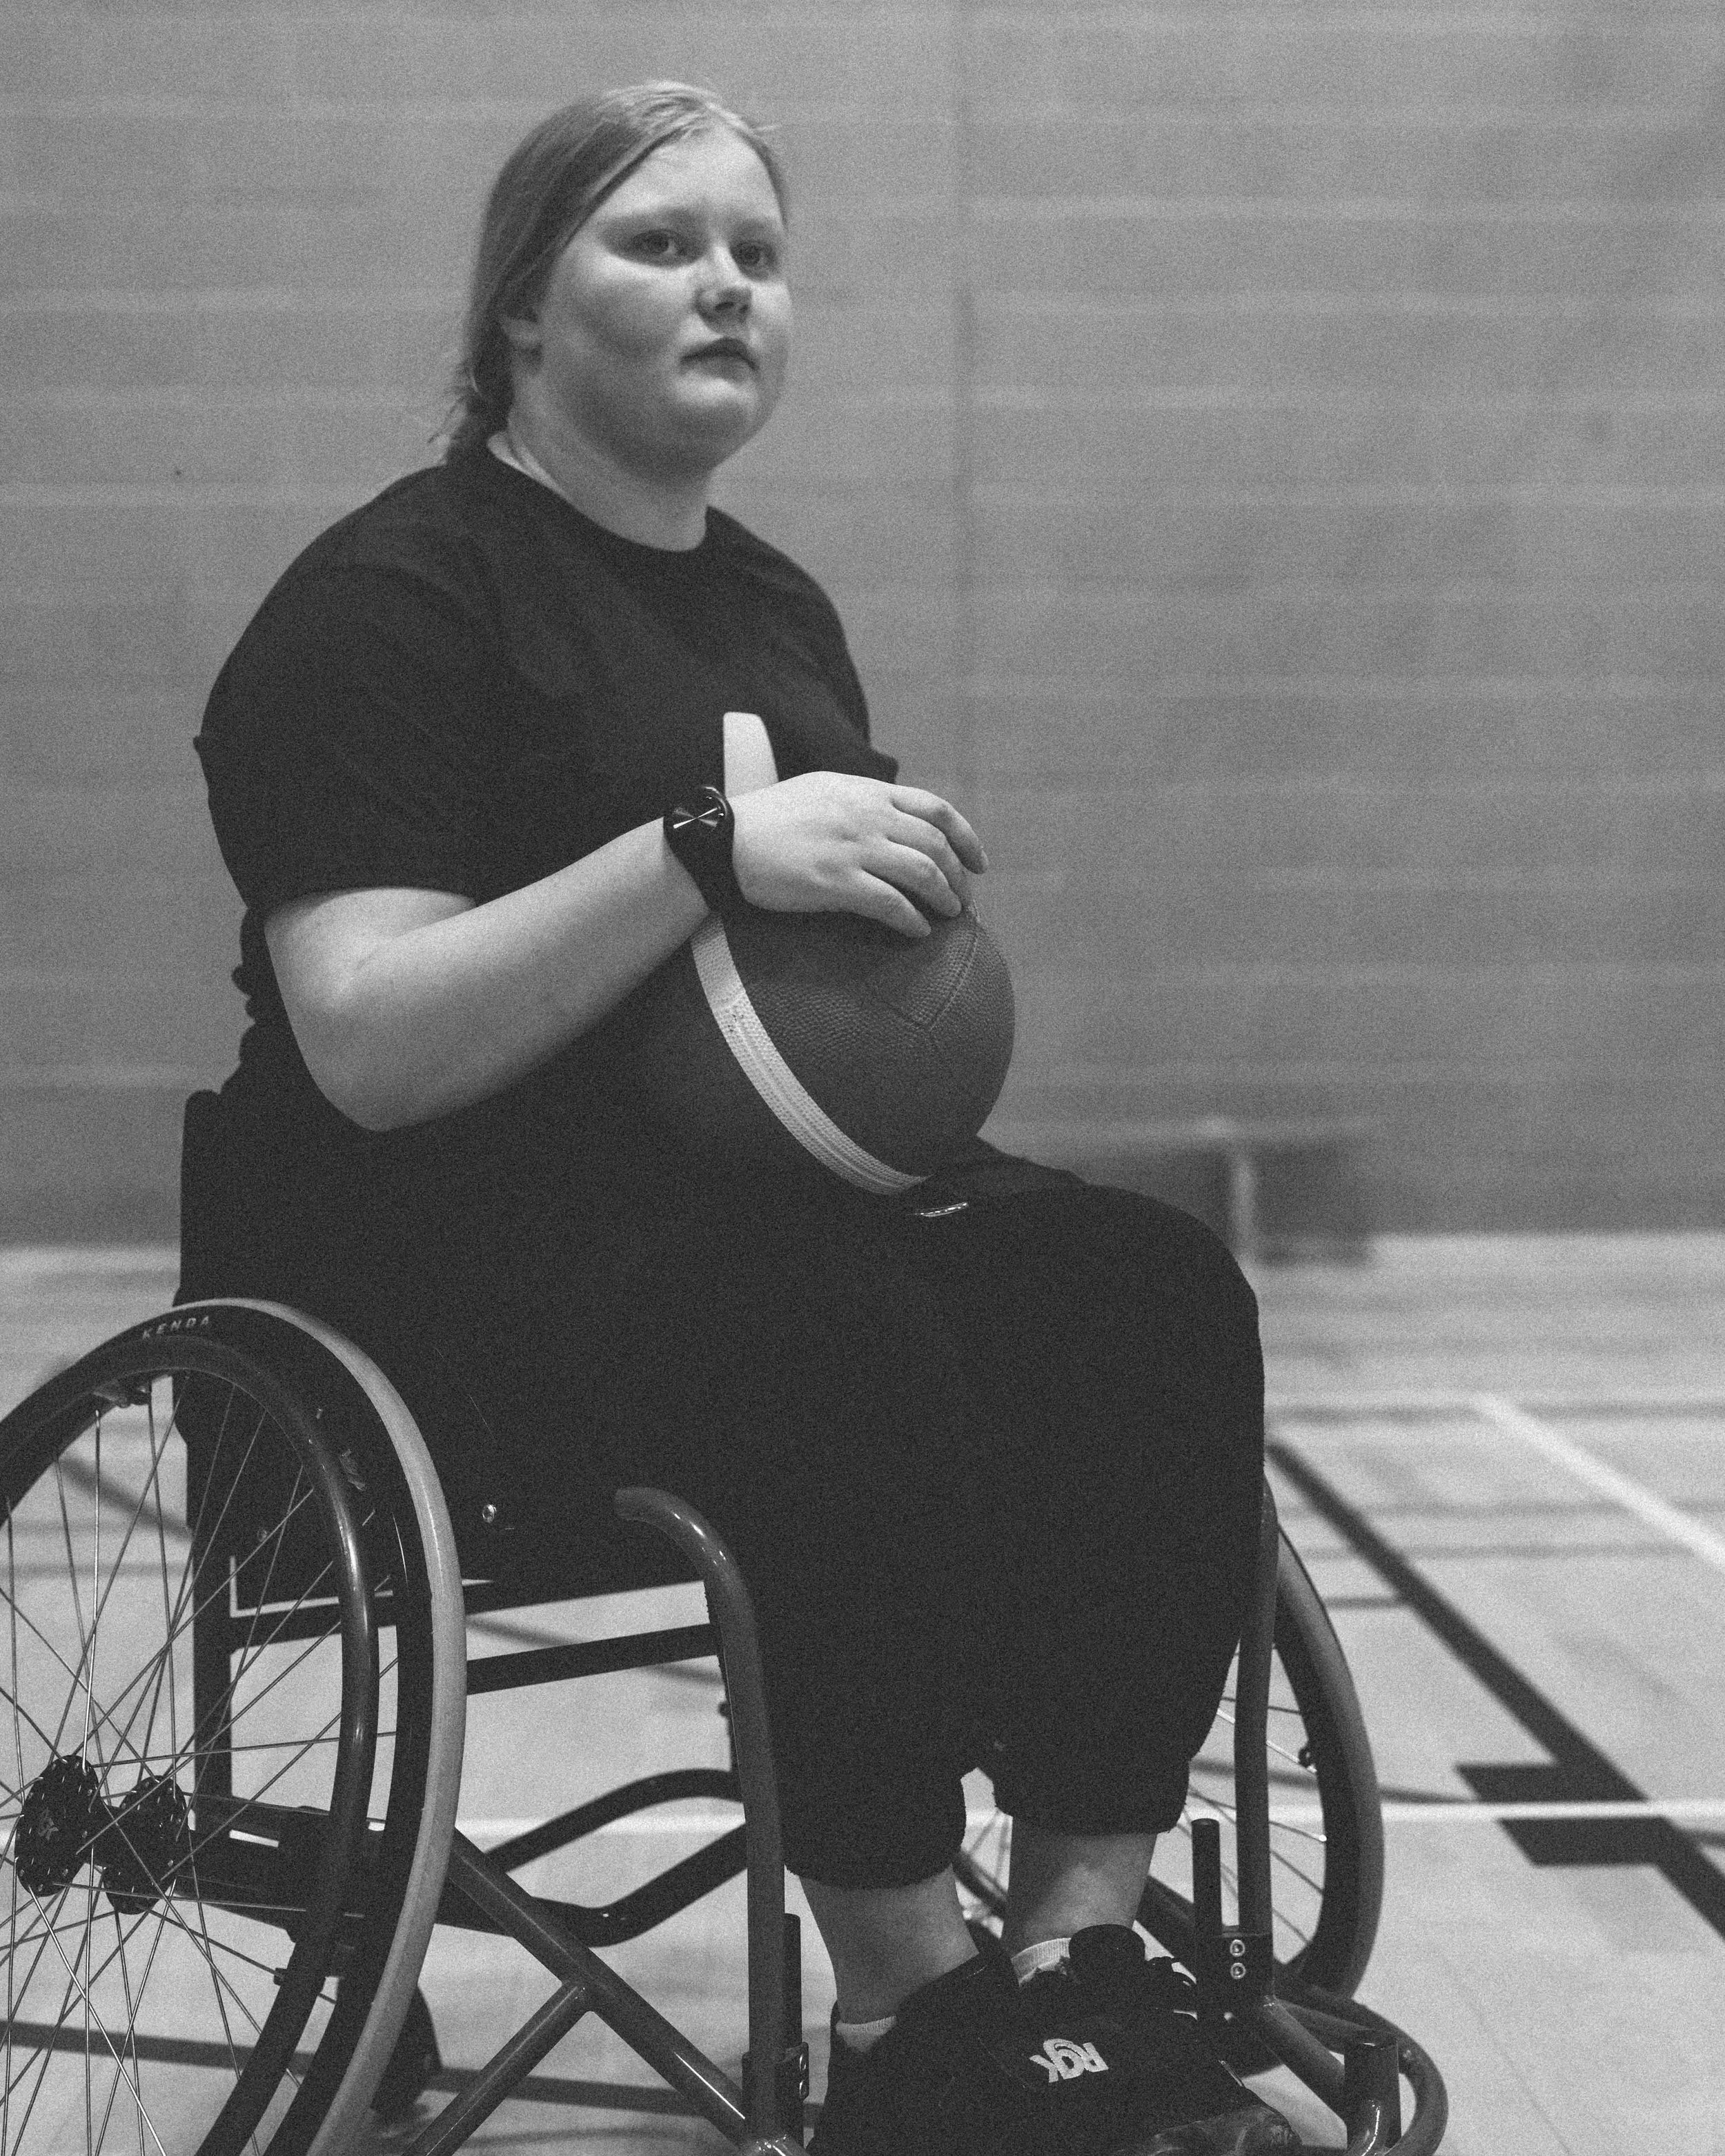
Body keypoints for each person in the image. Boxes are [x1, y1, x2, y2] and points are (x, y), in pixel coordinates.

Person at [186, 82, 1298, 2156]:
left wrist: (893, 912)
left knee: (1145, 1287)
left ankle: (1065, 1974)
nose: (725, 287)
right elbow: (366, 1040)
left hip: (750, 1223)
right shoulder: (391, 605)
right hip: (444, 1275)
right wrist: (703, 849)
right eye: (659, 243)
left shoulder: (770, 608)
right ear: (521, 309)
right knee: (825, 1331)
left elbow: (786, 1019)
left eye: (759, 256)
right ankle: (905, 2011)